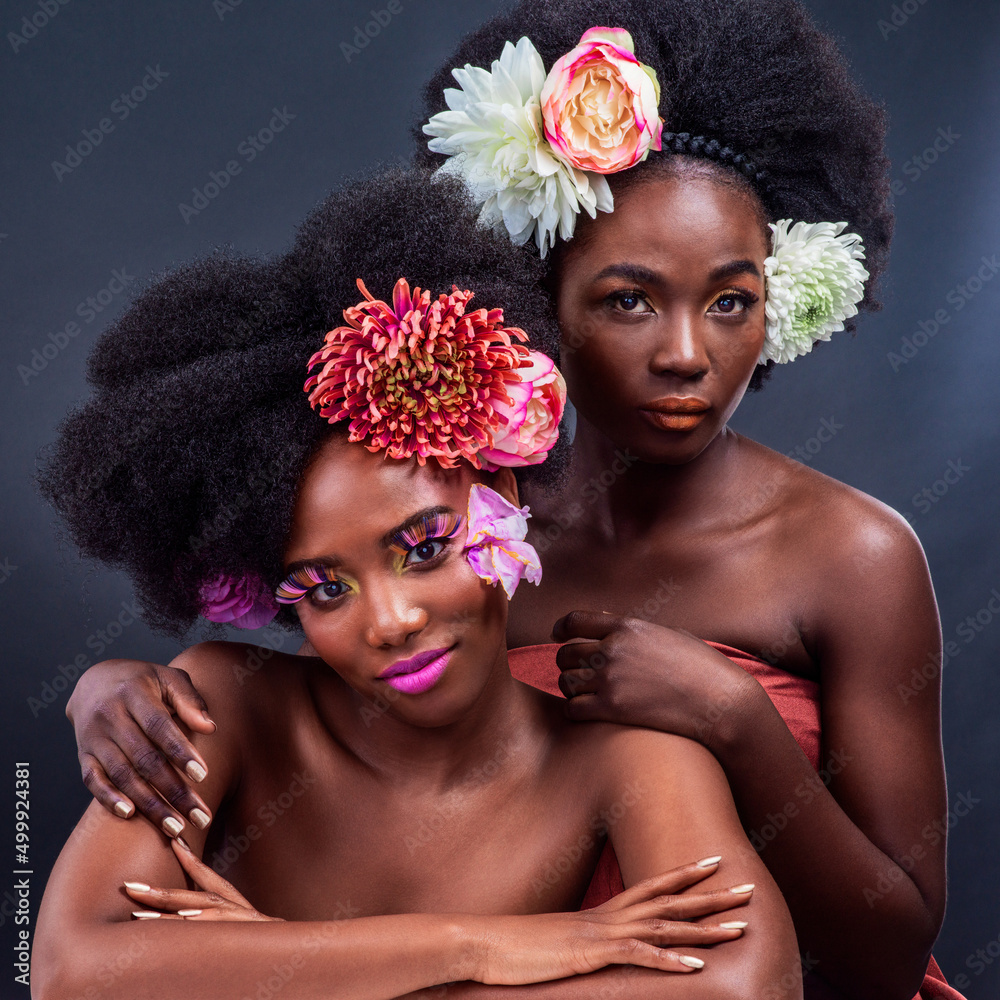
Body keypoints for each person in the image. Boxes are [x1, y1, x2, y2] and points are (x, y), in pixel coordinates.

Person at [59, 1, 962, 998]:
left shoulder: (853, 554)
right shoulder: (455, 520)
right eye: (627, 298)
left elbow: (877, 958)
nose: (685, 354)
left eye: (730, 300)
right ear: (538, 297)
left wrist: (734, 718)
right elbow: (337, 685)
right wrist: (113, 691)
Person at [32, 168, 799, 999]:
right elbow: (72, 973)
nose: (390, 620)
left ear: (501, 501)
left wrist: (288, 969)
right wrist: (475, 949)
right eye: (324, 588)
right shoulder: (223, 707)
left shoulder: (628, 758)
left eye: (425, 547)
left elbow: (748, 986)